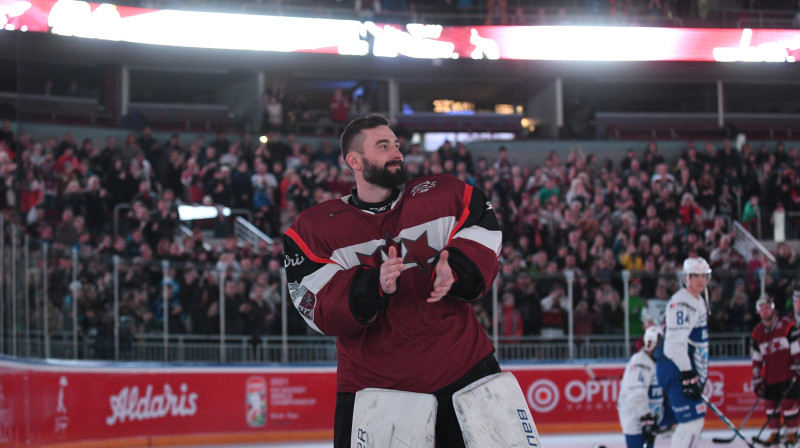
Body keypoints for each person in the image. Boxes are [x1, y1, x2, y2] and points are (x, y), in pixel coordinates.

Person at [282, 114, 503, 448]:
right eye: (383, 146)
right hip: (375, 390)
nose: (396, 152)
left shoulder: (442, 193)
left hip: (464, 371)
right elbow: (313, 303)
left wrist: (458, 266)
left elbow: (482, 225)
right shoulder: (314, 229)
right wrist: (371, 286)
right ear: (353, 161)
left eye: (397, 145)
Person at [655, 256, 711, 448]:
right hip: (676, 367)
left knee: (692, 422)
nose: (700, 280)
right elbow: (673, 345)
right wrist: (688, 374)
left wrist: (699, 374)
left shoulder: (697, 301)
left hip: (681, 366)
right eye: (696, 275)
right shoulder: (682, 302)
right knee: (692, 422)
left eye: (703, 276)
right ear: (686, 277)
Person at [752, 294, 799, 446]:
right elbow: (757, 357)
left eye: (767, 307)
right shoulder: (757, 332)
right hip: (771, 375)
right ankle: (774, 435)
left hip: (787, 373)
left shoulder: (786, 324)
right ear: (758, 312)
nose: (764, 311)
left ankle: (792, 435)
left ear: (773, 309)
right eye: (761, 309)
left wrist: (797, 364)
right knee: (770, 405)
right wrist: (757, 377)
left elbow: (795, 347)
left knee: (788, 404)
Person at [618, 326, 665, 448]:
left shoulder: (658, 362)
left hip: (651, 416)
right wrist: (646, 417)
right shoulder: (639, 362)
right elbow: (636, 393)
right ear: (650, 344)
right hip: (635, 417)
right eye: (660, 344)